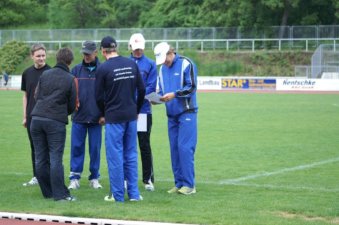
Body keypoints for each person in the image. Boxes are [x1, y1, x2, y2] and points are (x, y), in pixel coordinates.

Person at [95, 36, 145, 202]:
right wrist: (136, 110)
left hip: (114, 118)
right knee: (131, 155)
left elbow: (98, 97)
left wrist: (103, 113)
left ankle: (117, 196)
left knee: (115, 156)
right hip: (131, 116)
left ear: (103, 51)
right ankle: (134, 194)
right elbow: (142, 89)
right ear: (116, 48)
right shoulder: (131, 63)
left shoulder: (103, 68)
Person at [30, 47, 78, 201]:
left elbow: (36, 95)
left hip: (36, 118)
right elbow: (72, 104)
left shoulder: (45, 74)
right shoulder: (70, 78)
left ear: (57, 59)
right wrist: (63, 112)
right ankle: (60, 194)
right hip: (55, 121)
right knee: (55, 158)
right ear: (70, 61)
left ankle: (47, 192)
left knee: (40, 158)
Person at [153, 42, 198, 195]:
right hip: (171, 115)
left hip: (187, 113)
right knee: (174, 149)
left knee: (185, 148)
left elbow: (191, 87)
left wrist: (175, 94)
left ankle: (189, 185)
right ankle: (178, 183)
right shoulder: (162, 69)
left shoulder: (186, 63)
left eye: (165, 58)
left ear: (170, 52)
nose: (164, 62)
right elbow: (161, 90)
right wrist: (157, 99)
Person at [68, 41, 103, 190]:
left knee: (95, 149)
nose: (86, 56)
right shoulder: (75, 70)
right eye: (84, 53)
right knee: (76, 147)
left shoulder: (103, 70)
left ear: (96, 52)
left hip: (97, 118)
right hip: (79, 117)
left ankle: (94, 177)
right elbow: (69, 93)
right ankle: (74, 178)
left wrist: (104, 114)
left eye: (89, 53)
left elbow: (107, 94)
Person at [128, 33, 157, 191]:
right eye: (135, 48)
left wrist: (136, 103)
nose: (138, 51)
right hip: (126, 111)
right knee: (127, 145)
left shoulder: (151, 64)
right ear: (130, 47)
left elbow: (151, 87)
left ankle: (148, 179)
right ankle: (127, 178)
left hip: (143, 112)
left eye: (140, 48)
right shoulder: (125, 62)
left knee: (144, 145)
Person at [21, 43, 51, 187]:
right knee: (35, 147)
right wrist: (25, 116)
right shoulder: (27, 73)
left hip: (46, 116)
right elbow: (25, 96)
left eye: (43, 55)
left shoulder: (50, 72)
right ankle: (36, 176)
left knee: (47, 147)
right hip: (32, 117)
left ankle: (49, 176)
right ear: (32, 56)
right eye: (38, 56)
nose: (41, 58)